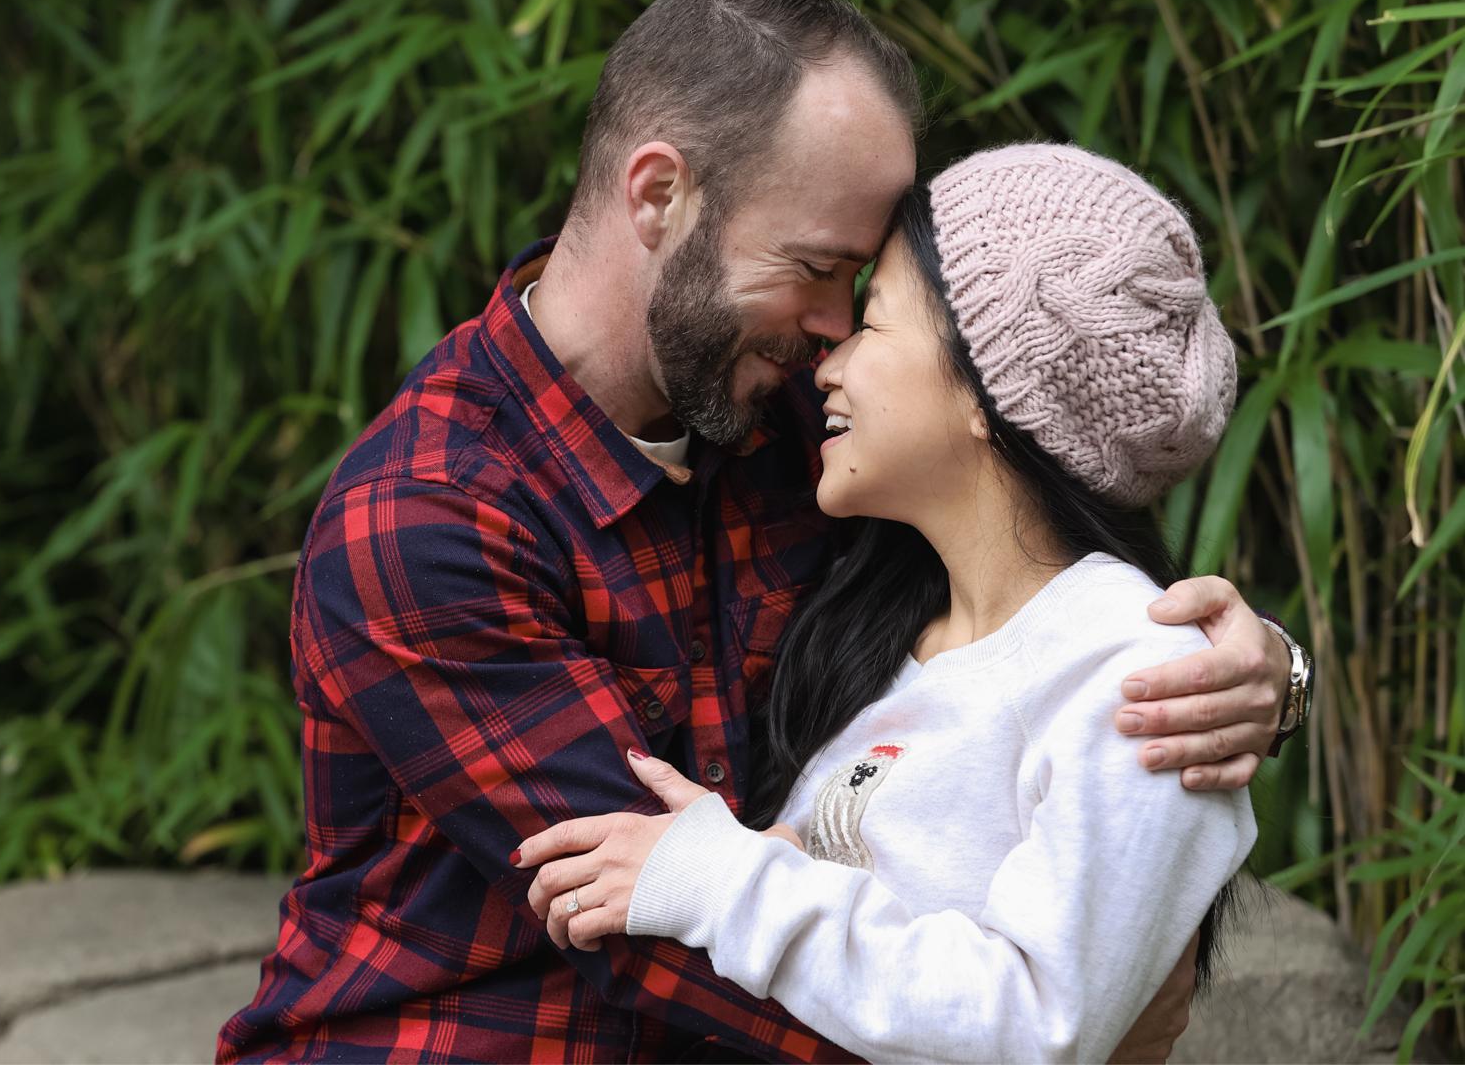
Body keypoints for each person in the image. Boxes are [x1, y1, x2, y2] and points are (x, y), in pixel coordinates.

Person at [217, 0, 1308, 1064]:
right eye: (818, 268)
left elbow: (1034, 605)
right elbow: (653, 917)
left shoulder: (809, 427)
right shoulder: (428, 519)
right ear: (658, 196)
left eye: (865, 293)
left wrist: (1249, 675)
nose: (834, 331)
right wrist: (1055, 1037)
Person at [516, 145, 1256, 1062]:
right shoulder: (897, 628)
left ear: (991, 395)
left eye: (873, 322)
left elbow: (1036, 1024)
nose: (827, 362)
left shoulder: (1142, 685)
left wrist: (721, 879)